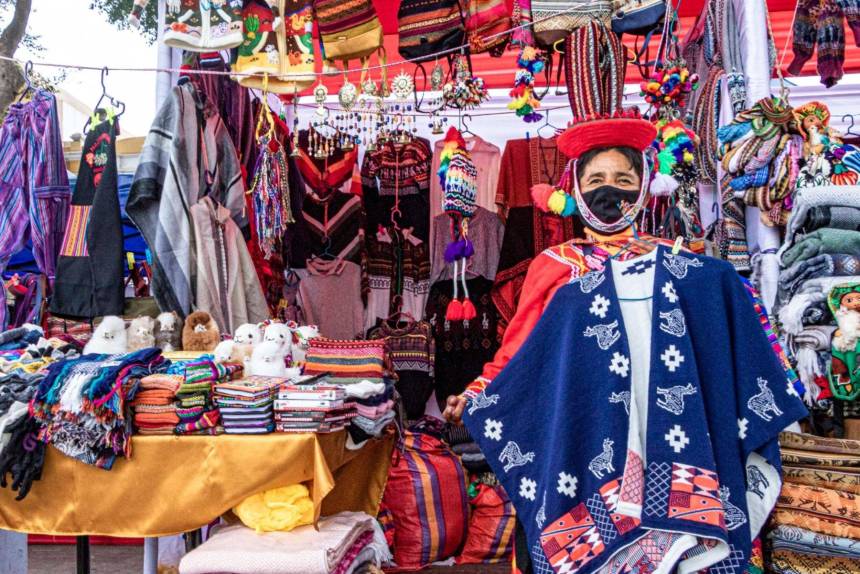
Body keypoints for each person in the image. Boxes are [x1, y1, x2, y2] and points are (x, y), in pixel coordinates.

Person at [444, 110, 670, 424]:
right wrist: (477, 393)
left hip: (659, 419)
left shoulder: (674, 262)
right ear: (577, 191)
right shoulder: (553, 265)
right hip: (578, 422)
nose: (609, 189)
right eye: (596, 180)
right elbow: (518, 349)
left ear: (645, 192)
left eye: (623, 180)